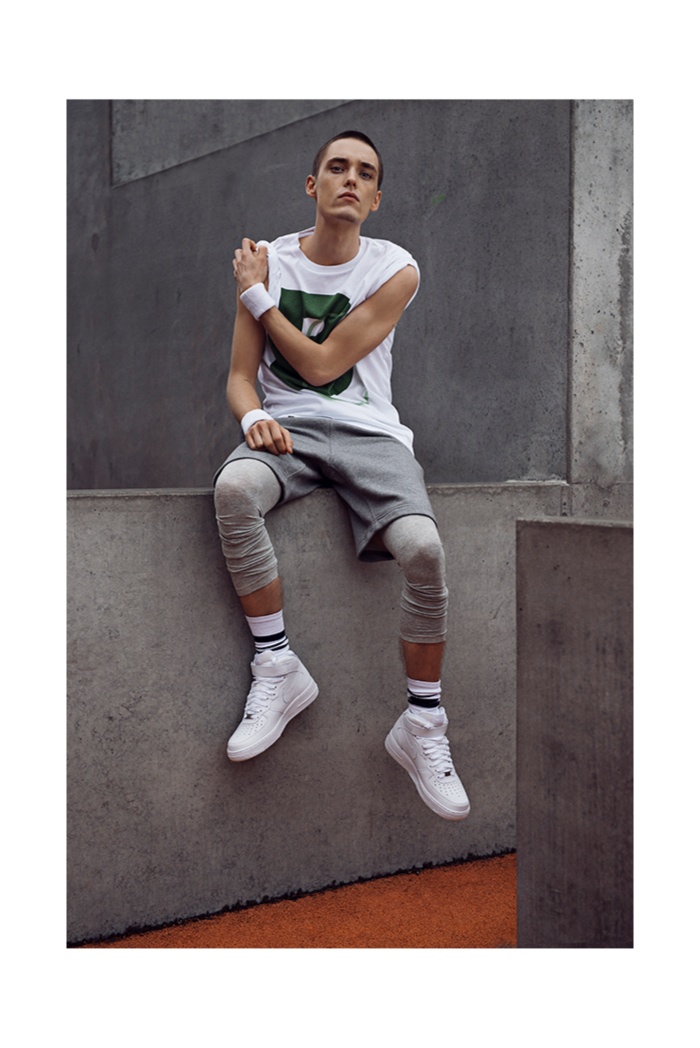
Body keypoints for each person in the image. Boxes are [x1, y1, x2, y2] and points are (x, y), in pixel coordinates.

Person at [213, 130, 470, 821]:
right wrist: (253, 419)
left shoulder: (396, 269)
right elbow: (240, 378)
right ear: (313, 185)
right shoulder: (269, 259)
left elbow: (324, 365)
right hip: (286, 430)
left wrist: (257, 297)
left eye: (365, 173)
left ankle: (422, 723)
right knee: (233, 490)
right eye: (336, 168)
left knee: (425, 551)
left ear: (377, 197)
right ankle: (277, 665)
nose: (350, 179)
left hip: (370, 435)